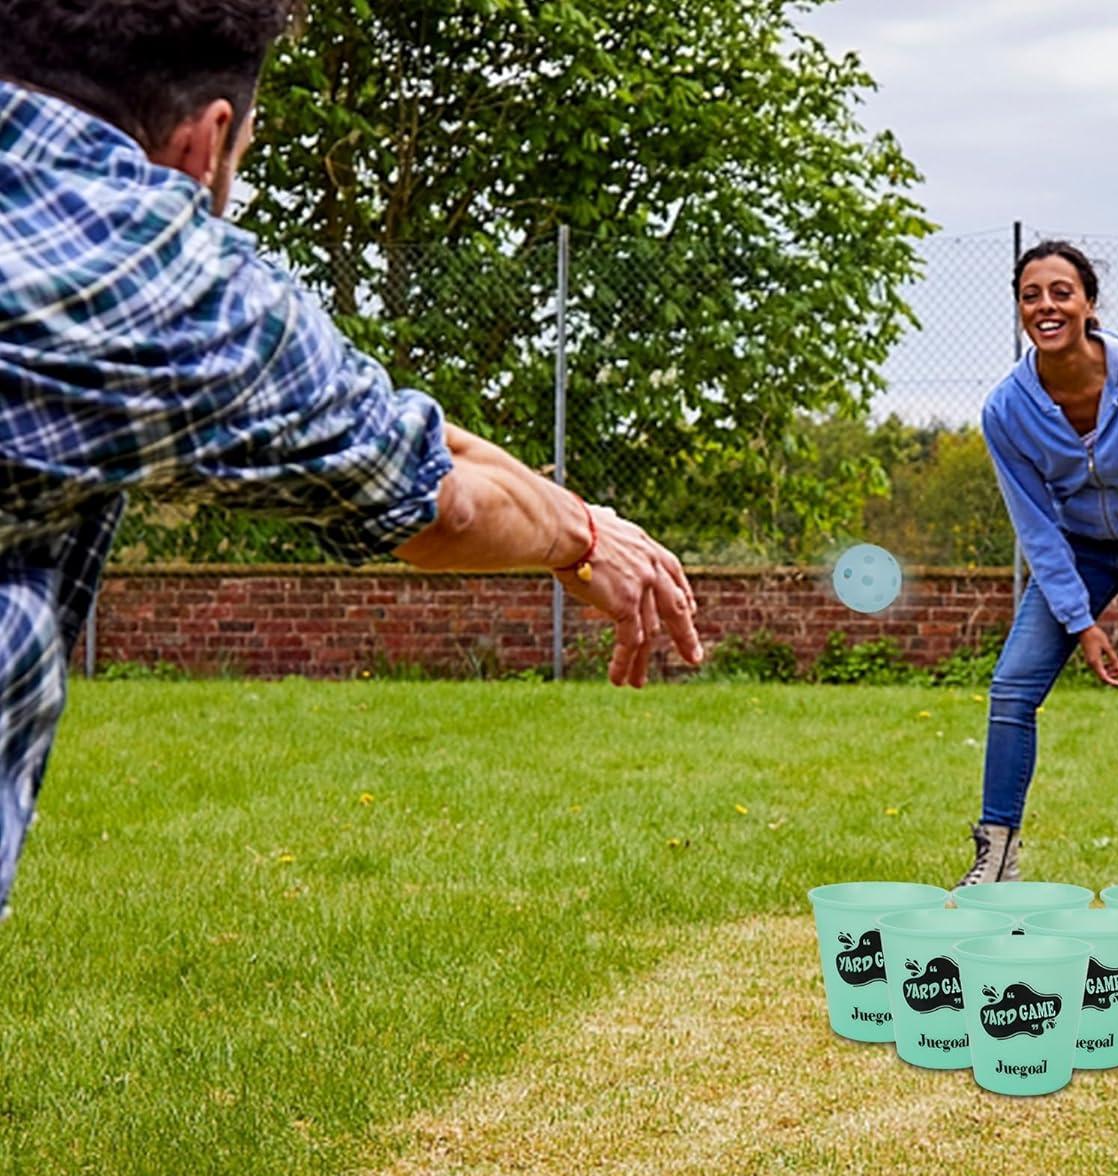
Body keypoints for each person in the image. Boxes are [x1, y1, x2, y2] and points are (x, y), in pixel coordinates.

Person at [0, 1, 702, 919]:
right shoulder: (156, 276)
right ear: (207, 141)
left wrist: (581, 525)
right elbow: (437, 503)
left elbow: (406, 439)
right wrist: (580, 542)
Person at [962, 240, 1118, 886]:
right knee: (1013, 687)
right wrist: (1082, 620)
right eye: (1031, 295)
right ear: (1020, 309)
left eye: (1060, 292)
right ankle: (995, 859)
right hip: (1078, 548)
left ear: (1089, 303)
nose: (1045, 306)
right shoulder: (1007, 409)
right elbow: (1036, 526)